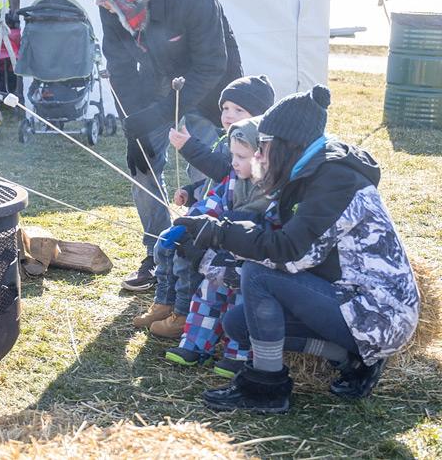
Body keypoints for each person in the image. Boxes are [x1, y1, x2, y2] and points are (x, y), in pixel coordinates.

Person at [172, 85, 420, 413]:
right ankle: (351, 358)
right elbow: (272, 231)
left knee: (258, 275)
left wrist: (223, 235)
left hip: (380, 313)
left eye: (264, 148)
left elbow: (292, 253)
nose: (259, 157)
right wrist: (215, 228)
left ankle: (265, 388)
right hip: (347, 299)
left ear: (288, 145)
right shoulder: (309, 172)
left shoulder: (335, 180)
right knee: (238, 324)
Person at [77, 0, 242, 293]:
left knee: (206, 172)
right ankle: (158, 253)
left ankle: (203, 256)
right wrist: (134, 124)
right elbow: (120, 67)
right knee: (143, 169)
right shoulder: (113, 6)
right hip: (157, 85)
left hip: (209, 89)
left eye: (106, 0)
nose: (103, 8)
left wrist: (161, 113)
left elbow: (213, 62)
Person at [136, 74, 274, 338]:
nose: (229, 115)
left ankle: (182, 313)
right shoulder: (225, 140)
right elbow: (213, 182)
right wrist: (190, 191)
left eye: (239, 110)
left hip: (220, 224)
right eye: (225, 108)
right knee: (163, 246)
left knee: (184, 257)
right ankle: (164, 302)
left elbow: (222, 171)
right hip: (203, 211)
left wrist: (189, 147)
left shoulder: (253, 150)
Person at [162, 117, 272, 376]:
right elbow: (214, 203)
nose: (234, 162)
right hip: (222, 256)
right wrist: (190, 223)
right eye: (233, 154)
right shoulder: (233, 179)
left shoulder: (271, 189)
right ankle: (195, 345)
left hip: (252, 263)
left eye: (241, 156)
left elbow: (266, 227)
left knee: (241, 304)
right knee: (206, 295)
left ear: (262, 156)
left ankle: (239, 354)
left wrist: (229, 224)